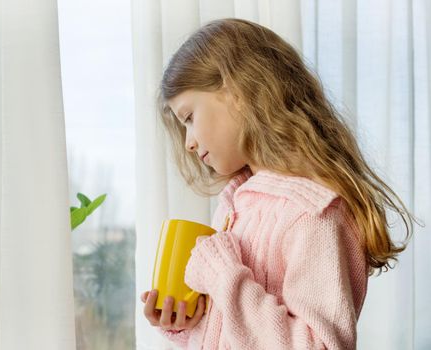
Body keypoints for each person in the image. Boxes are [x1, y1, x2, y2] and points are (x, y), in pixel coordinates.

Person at [139, 18, 421, 349]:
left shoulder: (312, 213)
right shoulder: (237, 204)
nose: (188, 141)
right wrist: (191, 323)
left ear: (237, 93)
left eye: (189, 118)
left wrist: (225, 279)